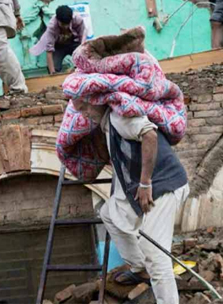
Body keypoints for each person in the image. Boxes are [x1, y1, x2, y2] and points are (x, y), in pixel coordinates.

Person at [73, 99, 189, 304]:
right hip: (149, 186)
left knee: (154, 249)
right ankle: (139, 268)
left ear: (97, 101)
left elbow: (150, 135)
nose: (84, 114)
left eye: (85, 108)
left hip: (164, 184)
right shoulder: (108, 123)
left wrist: (145, 183)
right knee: (109, 212)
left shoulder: (120, 117)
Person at [30, 5, 86, 74]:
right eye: (62, 24)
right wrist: (52, 73)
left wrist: (78, 64)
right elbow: (49, 51)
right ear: (57, 19)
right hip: (58, 47)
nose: (65, 27)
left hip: (74, 44)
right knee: (54, 67)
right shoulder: (52, 26)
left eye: (67, 24)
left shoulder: (78, 19)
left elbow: (82, 41)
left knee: (84, 58)